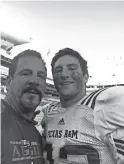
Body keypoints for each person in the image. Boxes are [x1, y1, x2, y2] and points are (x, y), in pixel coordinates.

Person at [41, 48, 124, 164]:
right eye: (58, 70)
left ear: (86, 77)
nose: (64, 74)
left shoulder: (103, 104)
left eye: (72, 69)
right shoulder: (49, 113)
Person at [1, 49, 47, 164]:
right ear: (8, 82)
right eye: (26, 73)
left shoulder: (36, 134)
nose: (34, 81)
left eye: (41, 76)